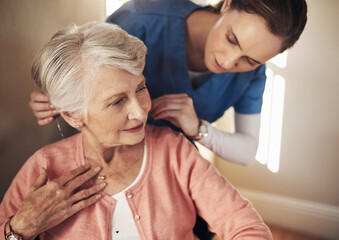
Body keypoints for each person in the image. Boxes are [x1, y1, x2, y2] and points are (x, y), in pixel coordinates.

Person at [1, 22, 272, 239]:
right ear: (73, 115)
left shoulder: (174, 151)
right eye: (118, 101)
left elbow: (248, 228)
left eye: (141, 88)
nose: (141, 111)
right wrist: (20, 229)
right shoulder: (43, 167)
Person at [29, 0, 307, 166]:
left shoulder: (253, 76)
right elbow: (83, 70)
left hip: (167, 166)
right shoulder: (141, 18)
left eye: (251, 59)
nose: (229, 61)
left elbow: (248, 151)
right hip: (101, 155)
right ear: (228, 4)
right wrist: (58, 95)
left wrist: (199, 129)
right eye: (232, 39)